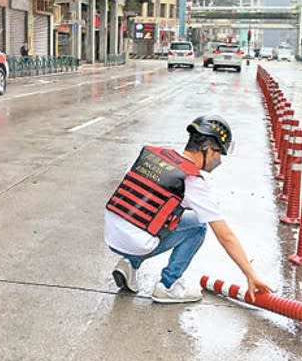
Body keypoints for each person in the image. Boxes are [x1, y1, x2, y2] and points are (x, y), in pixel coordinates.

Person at [104, 115, 273, 303]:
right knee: (198, 227)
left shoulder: (155, 154)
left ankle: (130, 262)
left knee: (172, 214)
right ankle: (168, 286)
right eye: (218, 154)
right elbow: (226, 235)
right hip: (135, 242)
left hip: (111, 233)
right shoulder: (191, 180)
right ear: (207, 150)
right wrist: (251, 274)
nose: (218, 160)